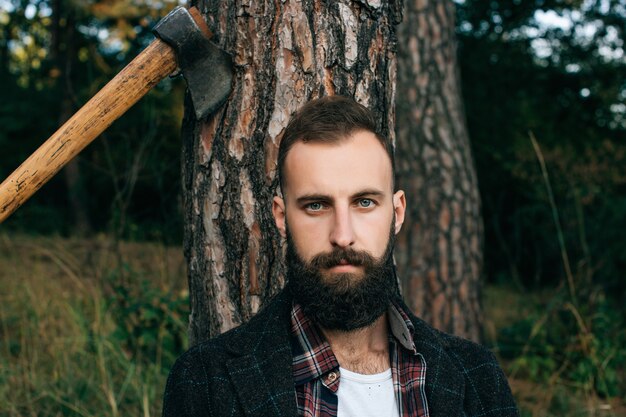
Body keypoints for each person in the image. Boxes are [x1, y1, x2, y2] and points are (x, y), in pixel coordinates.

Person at [162, 96, 519, 417]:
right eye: (316, 206)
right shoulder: (206, 382)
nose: (342, 236)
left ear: (396, 213)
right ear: (282, 217)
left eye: (365, 202)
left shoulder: (478, 378)